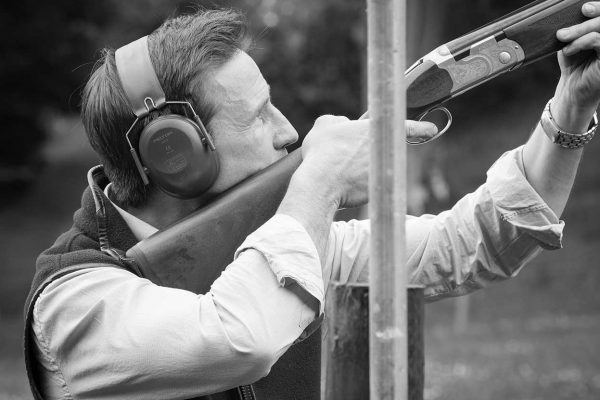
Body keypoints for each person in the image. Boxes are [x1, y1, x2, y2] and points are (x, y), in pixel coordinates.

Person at [24, 4, 600, 400]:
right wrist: (320, 180)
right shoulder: (74, 306)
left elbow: (477, 245)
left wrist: (570, 108)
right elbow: (240, 337)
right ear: (174, 152)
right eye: (257, 117)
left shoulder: (286, 234)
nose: (289, 132)